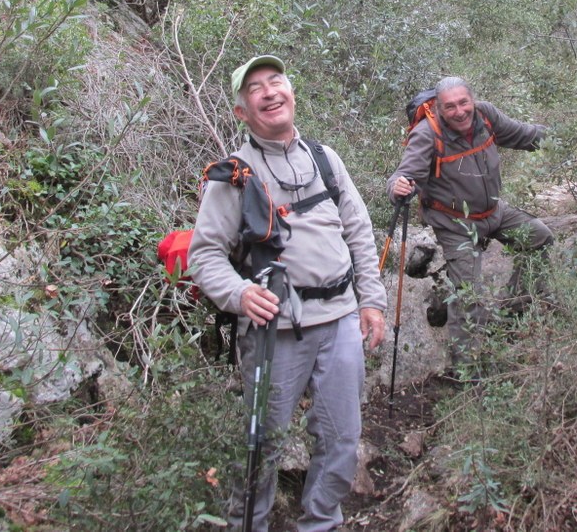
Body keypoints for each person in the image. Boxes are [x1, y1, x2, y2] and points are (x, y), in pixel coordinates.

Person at [189, 54, 387, 532]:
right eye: (255, 88)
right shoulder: (234, 174)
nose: (269, 91)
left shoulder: (324, 157)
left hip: (341, 317)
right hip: (274, 332)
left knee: (342, 436)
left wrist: (373, 300)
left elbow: (358, 231)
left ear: (291, 92)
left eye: (276, 81)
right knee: (263, 443)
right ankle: (249, 524)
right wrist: (239, 295)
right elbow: (204, 256)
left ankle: (321, 522)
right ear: (242, 112)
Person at [387, 76, 553, 372]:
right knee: (469, 295)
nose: (459, 111)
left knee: (539, 238)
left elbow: (523, 135)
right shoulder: (427, 134)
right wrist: (398, 187)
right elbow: (403, 176)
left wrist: (563, 139)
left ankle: (514, 307)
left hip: (493, 211)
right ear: (439, 109)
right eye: (450, 107)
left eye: (464, 102)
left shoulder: (485, 115)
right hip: (455, 224)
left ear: (472, 100)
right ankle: (468, 372)